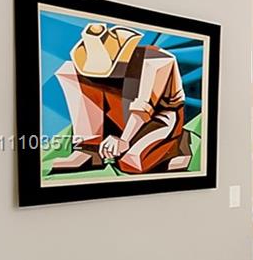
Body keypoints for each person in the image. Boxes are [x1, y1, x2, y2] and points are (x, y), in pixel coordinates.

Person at [50, 23, 191, 175]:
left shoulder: (156, 62)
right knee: (70, 71)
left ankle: (176, 145)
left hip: (156, 117)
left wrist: (124, 140)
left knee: (132, 163)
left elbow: (143, 109)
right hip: (119, 113)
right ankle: (89, 149)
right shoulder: (82, 68)